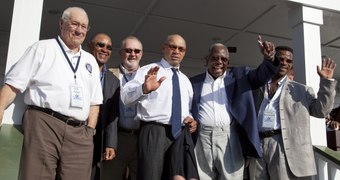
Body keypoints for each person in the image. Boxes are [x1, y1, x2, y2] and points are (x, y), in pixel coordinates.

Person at [0, 7, 103, 180]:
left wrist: (89, 131)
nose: (79, 30)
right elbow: (14, 85)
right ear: (61, 23)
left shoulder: (90, 61)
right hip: (44, 125)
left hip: (79, 134)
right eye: (75, 24)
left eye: (84, 26)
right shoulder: (41, 48)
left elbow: (94, 102)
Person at [190, 37, 279, 179]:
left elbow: (261, 76)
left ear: (228, 63)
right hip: (202, 139)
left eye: (223, 59)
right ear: (207, 59)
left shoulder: (240, 76)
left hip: (229, 138)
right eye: (215, 58)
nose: (219, 62)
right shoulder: (193, 82)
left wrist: (269, 59)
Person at [249, 46, 337, 179]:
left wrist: (326, 82)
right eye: (280, 59)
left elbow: (321, 112)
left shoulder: (301, 90)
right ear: (273, 59)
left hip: (283, 145)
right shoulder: (257, 87)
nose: (284, 62)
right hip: (258, 144)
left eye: (288, 61)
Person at [121, 34, 197, 180]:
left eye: (180, 49)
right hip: (153, 132)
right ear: (164, 48)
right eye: (172, 47)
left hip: (179, 135)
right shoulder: (148, 71)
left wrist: (191, 120)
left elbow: (187, 110)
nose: (176, 51)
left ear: (184, 52)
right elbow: (125, 97)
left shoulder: (185, 80)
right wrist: (143, 88)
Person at [101, 36, 143, 180]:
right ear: (121, 53)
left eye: (137, 51)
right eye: (128, 50)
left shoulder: (148, 77)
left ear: (141, 54)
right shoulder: (109, 75)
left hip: (140, 138)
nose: (133, 54)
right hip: (117, 138)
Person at [87, 33, 120, 180]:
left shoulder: (114, 81)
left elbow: (113, 115)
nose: (104, 49)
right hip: (76, 131)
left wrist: (110, 143)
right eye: (100, 45)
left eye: (109, 47)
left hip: (98, 137)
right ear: (90, 46)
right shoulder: (79, 69)